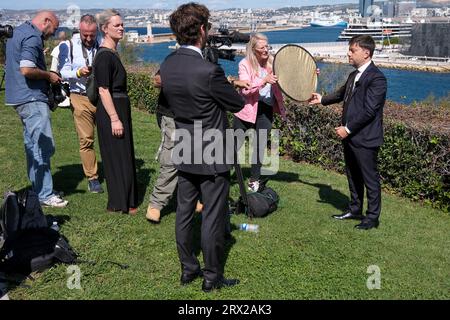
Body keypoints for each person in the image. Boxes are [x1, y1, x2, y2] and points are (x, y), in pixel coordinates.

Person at [159, 2, 244, 292]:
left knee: (184, 212)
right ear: (203, 30)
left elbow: (170, 103)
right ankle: (211, 276)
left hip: (184, 143)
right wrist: (231, 87)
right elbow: (237, 104)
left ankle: (188, 269)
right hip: (212, 150)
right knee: (212, 214)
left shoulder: (167, 65)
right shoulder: (209, 71)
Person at [146, 74, 250, 223]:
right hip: (172, 116)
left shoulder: (203, 60)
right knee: (172, 159)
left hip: (195, 116)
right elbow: (157, 81)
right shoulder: (174, 60)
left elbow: (209, 81)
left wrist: (233, 82)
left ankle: (193, 198)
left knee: (194, 159)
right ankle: (156, 204)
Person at [309, 35, 387, 230]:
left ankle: (371, 217)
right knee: (353, 175)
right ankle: (354, 209)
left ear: (366, 53)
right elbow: (342, 94)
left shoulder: (377, 78)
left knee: (370, 179)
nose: (348, 53)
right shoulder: (354, 75)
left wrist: (348, 128)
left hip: (365, 138)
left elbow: (369, 111)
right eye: (349, 50)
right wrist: (322, 99)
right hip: (351, 137)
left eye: (353, 50)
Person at [5, 11, 68, 208]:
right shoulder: (33, 36)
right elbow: (26, 69)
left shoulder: (18, 32)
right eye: (54, 28)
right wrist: (49, 76)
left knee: (32, 145)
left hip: (18, 97)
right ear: (46, 21)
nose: (53, 33)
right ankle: (45, 194)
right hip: (31, 97)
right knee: (43, 145)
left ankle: (39, 189)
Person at [93, 9, 138, 214]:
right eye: (116, 25)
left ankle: (127, 200)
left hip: (119, 106)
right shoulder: (104, 56)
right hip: (111, 110)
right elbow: (103, 89)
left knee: (124, 154)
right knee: (115, 155)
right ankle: (118, 202)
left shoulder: (112, 53)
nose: (121, 28)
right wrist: (114, 118)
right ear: (104, 28)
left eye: (122, 24)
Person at [234, 33, 286, 192]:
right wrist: (264, 81)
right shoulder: (245, 64)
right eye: (262, 47)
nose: (266, 50)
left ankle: (253, 180)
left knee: (260, 145)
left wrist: (311, 74)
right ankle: (219, 173)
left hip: (265, 109)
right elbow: (246, 89)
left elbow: (290, 78)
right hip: (247, 109)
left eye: (267, 46)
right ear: (253, 49)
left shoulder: (273, 63)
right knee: (235, 144)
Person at [59, 14, 104, 194]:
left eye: (92, 35)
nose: (88, 38)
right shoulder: (68, 46)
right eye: (85, 34)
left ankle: (115, 172)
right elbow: (63, 71)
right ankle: (92, 178)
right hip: (80, 96)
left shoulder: (102, 44)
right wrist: (78, 72)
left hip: (101, 96)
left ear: (97, 31)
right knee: (86, 139)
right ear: (80, 29)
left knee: (109, 136)